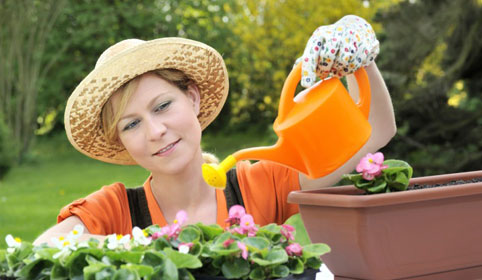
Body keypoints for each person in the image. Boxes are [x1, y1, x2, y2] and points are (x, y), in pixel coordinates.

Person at [33, 15, 396, 245]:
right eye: (131, 124)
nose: (155, 130)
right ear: (121, 142)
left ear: (191, 98)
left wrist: (358, 55)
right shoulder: (114, 211)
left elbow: (375, 132)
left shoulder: (259, 187)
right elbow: (40, 253)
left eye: (162, 106)